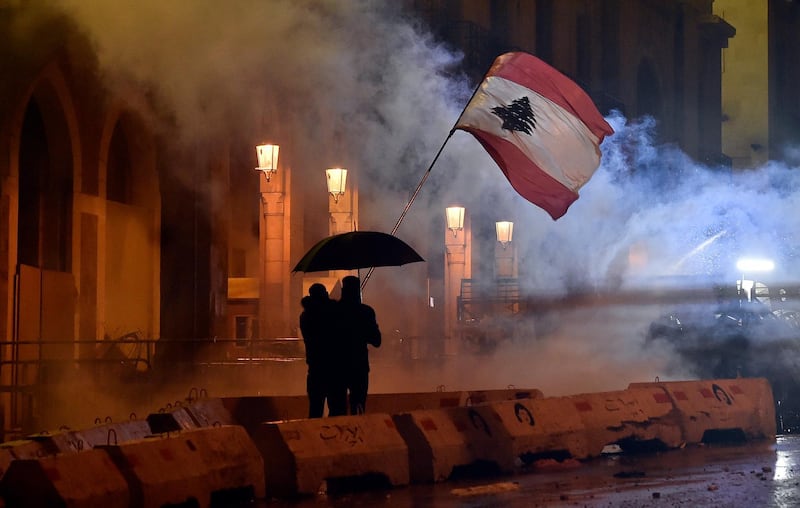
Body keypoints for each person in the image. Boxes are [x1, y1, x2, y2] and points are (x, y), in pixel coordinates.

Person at [299, 283, 346, 417]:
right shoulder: (332, 311)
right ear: (324, 294)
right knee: (337, 410)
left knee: (315, 409)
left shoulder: (306, 316)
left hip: (315, 368)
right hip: (334, 369)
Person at [336, 275, 381, 414]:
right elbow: (376, 341)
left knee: (338, 408)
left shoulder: (335, 311)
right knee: (359, 405)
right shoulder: (366, 312)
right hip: (359, 365)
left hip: (338, 365)